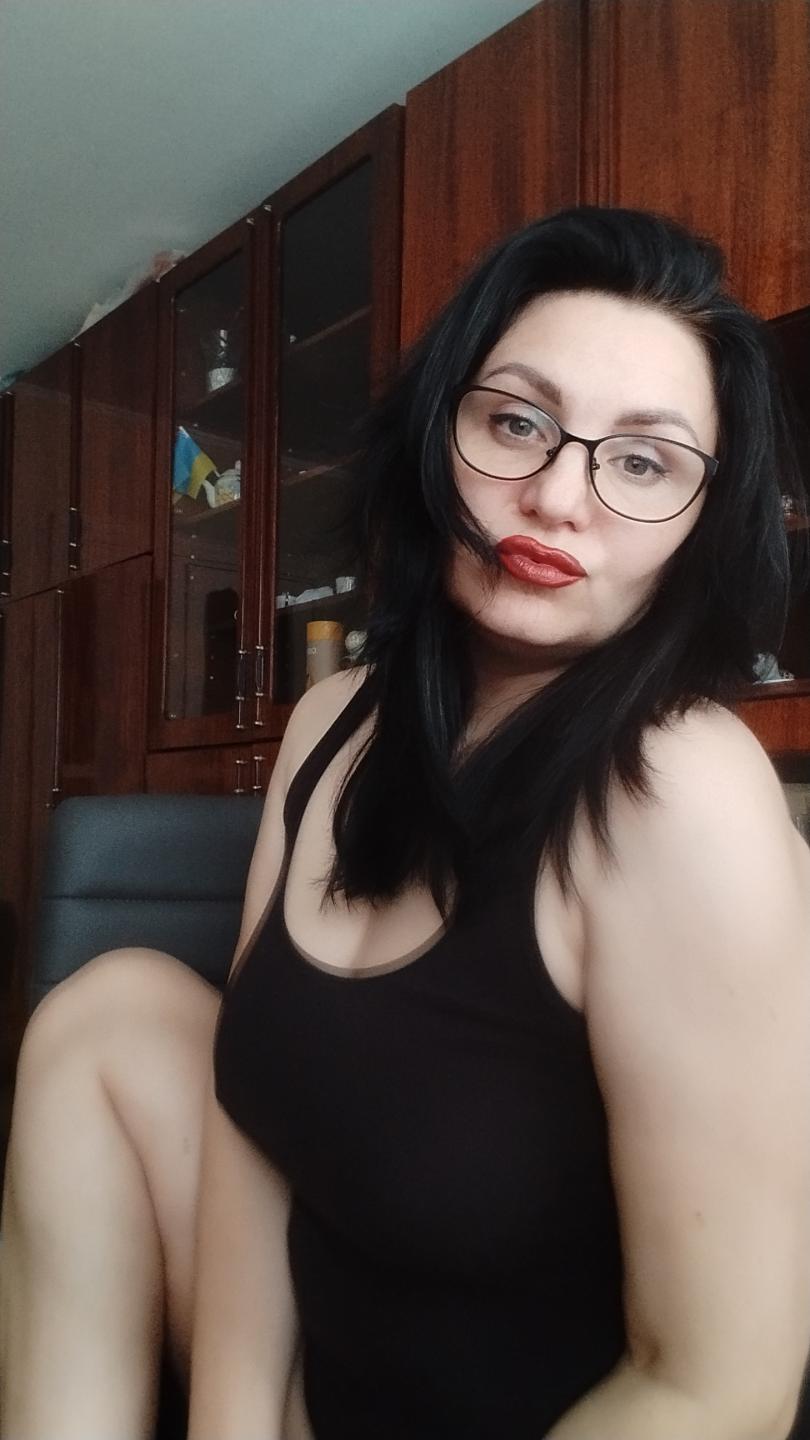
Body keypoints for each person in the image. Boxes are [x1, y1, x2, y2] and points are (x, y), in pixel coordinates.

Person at [3, 206, 810, 1440]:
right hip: (331, 1378)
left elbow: (721, 1388)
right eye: (517, 422)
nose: (556, 496)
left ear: (703, 521)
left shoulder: (683, 791)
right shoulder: (336, 720)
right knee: (106, 1013)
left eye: (644, 462)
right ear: (441, 433)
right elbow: (254, 1110)